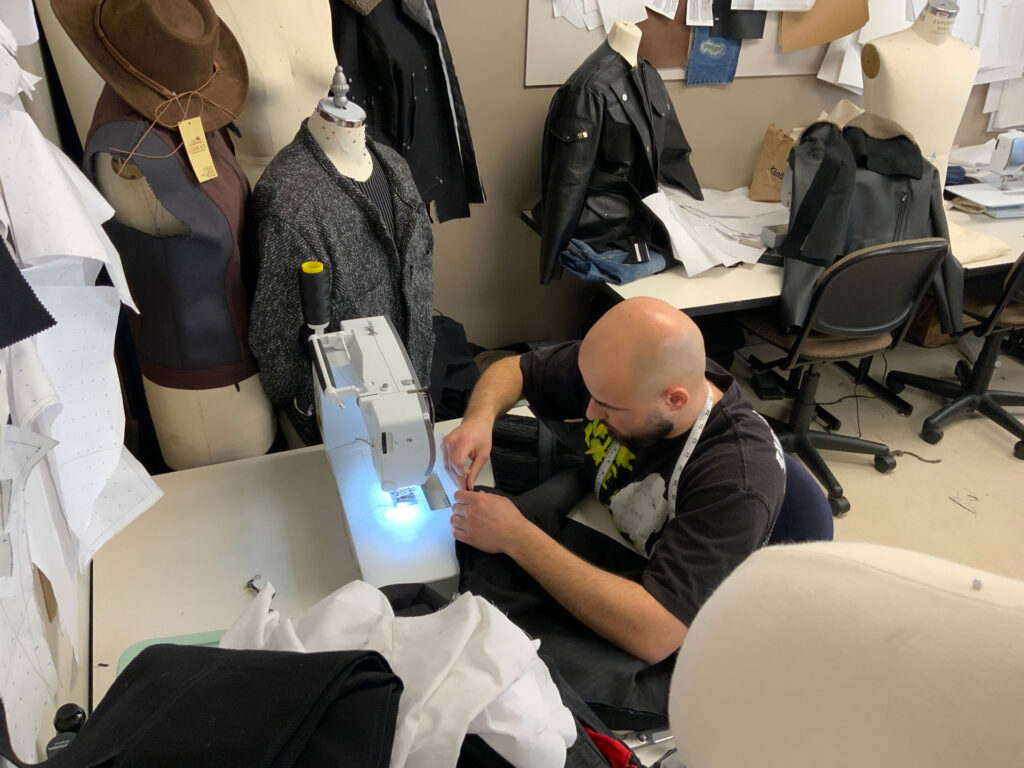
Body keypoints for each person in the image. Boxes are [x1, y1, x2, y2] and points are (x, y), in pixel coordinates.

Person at [443, 297, 786, 666]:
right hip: (599, 524)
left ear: (674, 400)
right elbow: (515, 370)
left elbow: (656, 633)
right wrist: (479, 419)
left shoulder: (735, 481)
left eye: (608, 406)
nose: (589, 411)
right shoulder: (623, 371)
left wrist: (517, 536)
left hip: (672, 620)